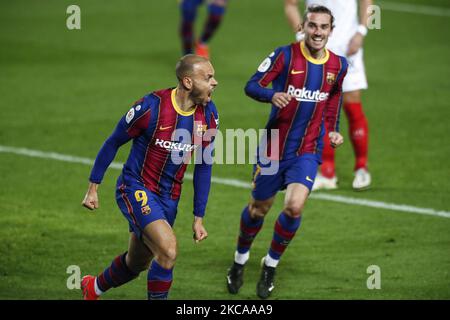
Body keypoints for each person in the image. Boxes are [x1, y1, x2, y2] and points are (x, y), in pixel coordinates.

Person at [226, 5, 347, 299]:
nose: (318, 32)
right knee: (259, 209)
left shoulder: (339, 65)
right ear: (303, 27)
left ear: (331, 31)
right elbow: (251, 85)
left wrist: (332, 127)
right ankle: (239, 260)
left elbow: (334, 97)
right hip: (273, 148)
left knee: (294, 207)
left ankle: (270, 265)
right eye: (313, 26)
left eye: (323, 27)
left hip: (308, 149)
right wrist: (272, 94)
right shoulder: (284, 55)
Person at [80, 54, 219, 300]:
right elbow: (113, 142)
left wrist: (199, 216)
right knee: (168, 250)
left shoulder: (208, 115)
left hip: (169, 199)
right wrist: (93, 186)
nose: (215, 82)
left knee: (136, 263)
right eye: (208, 78)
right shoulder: (151, 107)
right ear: (188, 82)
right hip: (136, 187)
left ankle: (94, 288)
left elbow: (204, 165)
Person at [284, 0, 372, 191]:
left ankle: (361, 168)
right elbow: (290, 5)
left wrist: (361, 32)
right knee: (320, 106)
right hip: (317, 49)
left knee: (352, 104)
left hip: (349, 47)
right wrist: (301, 35)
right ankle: (327, 172)